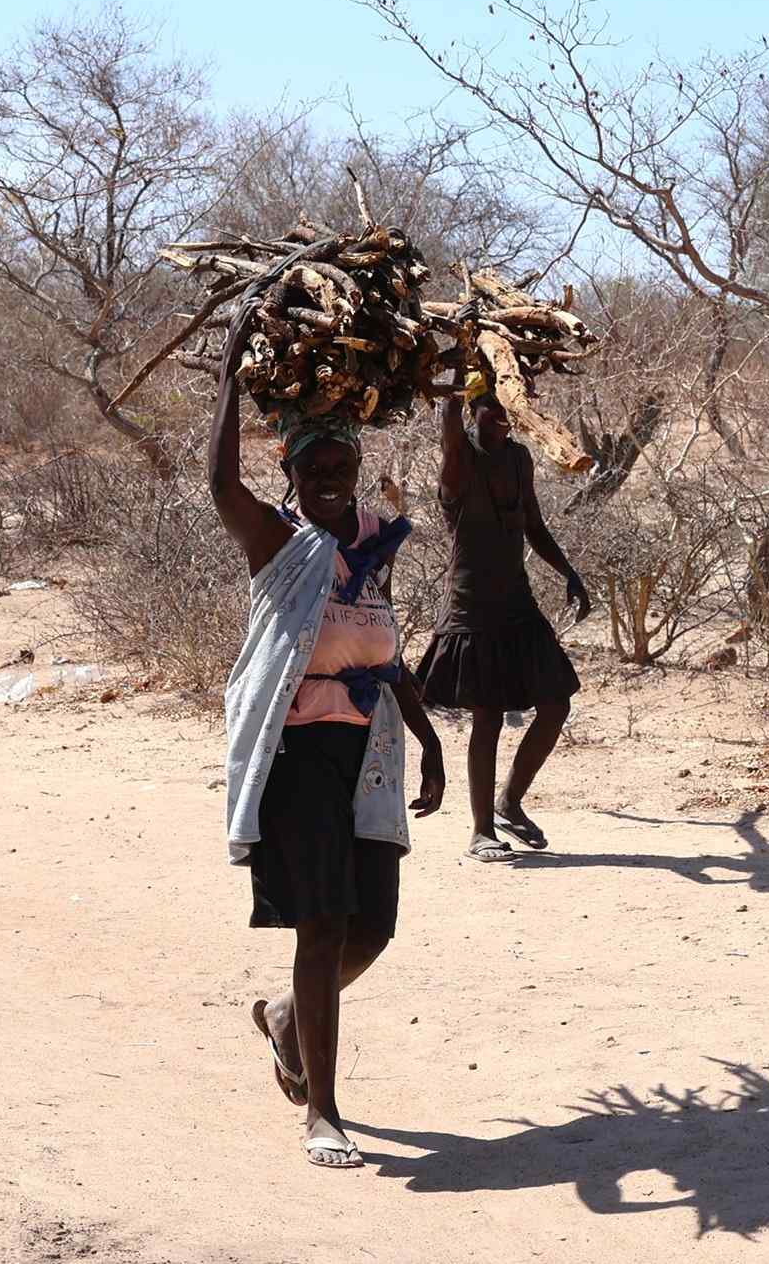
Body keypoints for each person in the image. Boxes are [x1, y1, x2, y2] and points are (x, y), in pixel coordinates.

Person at [210, 305, 447, 1169]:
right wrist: (231, 379)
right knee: (322, 924)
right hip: (299, 758)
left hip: (368, 760)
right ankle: (323, 1111)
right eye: (317, 465)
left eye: (344, 463)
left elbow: (384, 658)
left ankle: (282, 1016)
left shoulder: (368, 554)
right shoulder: (278, 543)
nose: (334, 478)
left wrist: (428, 738)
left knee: (372, 929)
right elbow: (219, 487)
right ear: (294, 469)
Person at [415, 380, 590, 861]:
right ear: (473, 410)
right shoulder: (459, 462)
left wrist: (570, 573)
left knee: (555, 705)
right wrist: (453, 377)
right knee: (487, 717)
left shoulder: (519, 459)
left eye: (507, 405)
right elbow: (449, 425)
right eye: (490, 406)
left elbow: (533, 524)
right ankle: (481, 830)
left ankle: (510, 802)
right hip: (472, 610)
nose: (501, 415)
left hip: (517, 603)